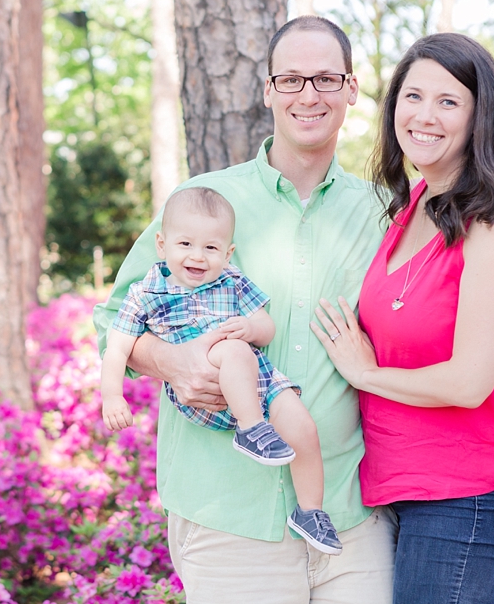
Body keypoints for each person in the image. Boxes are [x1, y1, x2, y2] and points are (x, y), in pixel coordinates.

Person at [93, 16, 494, 604]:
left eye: (326, 79)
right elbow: (114, 319)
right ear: (267, 90)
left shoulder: (389, 210)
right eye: (290, 79)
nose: (308, 95)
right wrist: (173, 361)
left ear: (353, 90)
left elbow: (465, 302)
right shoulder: (206, 202)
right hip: (232, 509)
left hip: (353, 511)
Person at [311, 33, 494, 604]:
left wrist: (364, 374)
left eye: (448, 101)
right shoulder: (412, 205)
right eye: (412, 96)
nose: (424, 115)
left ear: (480, 116)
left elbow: (470, 384)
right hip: (398, 480)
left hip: (471, 487)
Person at [101, 186, 343, 555]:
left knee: (302, 427)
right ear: (162, 244)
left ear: (227, 253)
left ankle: (310, 512)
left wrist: (252, 329)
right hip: (205, 389)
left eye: (211, 248)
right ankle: (251, 430)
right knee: (231, 348)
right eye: (185, 244)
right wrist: (112, 396)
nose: (197, 256)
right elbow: (116, 345)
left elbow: (265, 326)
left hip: (258, 378)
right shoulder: (146, 293)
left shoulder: (231, 279)